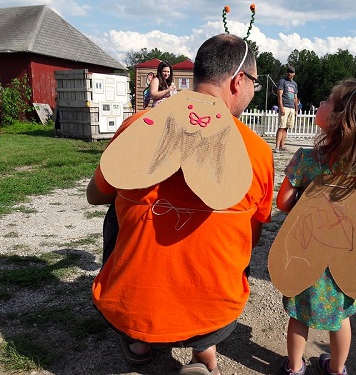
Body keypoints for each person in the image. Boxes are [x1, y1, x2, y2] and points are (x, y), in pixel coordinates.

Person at [86, 33, 274, 375]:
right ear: (238, 81)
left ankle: (139, 338)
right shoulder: (258, 152)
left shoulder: (136, 127)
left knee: (116, 204)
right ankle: (205, 350)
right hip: (218, 314)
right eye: (255, 83)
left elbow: (94, 195)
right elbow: (254, 238)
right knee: (237, 228)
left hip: (127, 309)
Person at [275, 79, 356, 375]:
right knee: (341, 317)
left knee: (299, 314)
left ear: (340, 119)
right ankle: (337, 369)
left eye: (327, 101)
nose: (321, 104)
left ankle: (294, 366)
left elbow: (284, 202)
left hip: (305, 251)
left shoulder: (306, 159)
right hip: (345, 257)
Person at [274, 66, 298, 153]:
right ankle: (277, 146)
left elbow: (295, 98)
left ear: (294, 73)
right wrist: (281, 107)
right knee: (281, 127)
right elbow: (279, 95)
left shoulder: (294, 84)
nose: (289, 73)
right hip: (285, 106)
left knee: (286, 127)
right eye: (288, 71)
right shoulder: (282, 81)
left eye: (291, 72)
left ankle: (282, 145)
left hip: (291, 107)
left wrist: (296, 109)